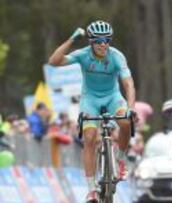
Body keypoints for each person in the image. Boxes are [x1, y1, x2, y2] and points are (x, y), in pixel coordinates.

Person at [48, 20, 138, 202]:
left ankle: (120, 160)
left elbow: (128, 84)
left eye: (107, 40)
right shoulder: (83, 55)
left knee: (125, 121)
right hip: (90, 99)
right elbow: (53, 61)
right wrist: (72, 38)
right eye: (98, 40)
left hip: (113, 97)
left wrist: (131, 107)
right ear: (91, 42)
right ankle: (91, 190)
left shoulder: (116, 56)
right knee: (89, 137)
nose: (103, 44)